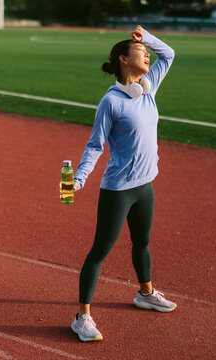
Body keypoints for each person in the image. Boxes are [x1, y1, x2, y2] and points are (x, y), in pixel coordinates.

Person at [71, 25, 177, 342]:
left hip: (146, 186)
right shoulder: (112, 102)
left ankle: (145, 294)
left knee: (142, 243)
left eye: (145, 50)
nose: (146, 53)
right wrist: (79, 178)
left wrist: (146, 38)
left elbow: (168, 54)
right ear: (123, 60)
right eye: (139, 51)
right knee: (100, 251)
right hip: (118, 190)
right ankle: (82, 316)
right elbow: (95, 146)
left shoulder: (148, 87)